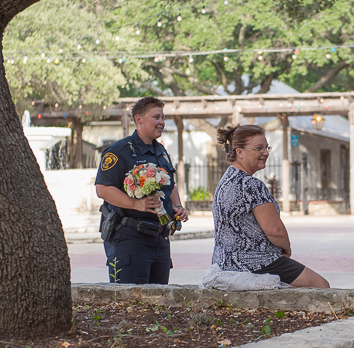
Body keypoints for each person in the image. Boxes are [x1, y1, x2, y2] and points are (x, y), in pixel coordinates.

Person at [211, 124, 330, 288]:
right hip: (257, 262)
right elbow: (275, 231)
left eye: (267, 147)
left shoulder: (226, 180)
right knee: (321, 286)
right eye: (259, 148)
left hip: (224, 261)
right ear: (240, 152)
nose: (265, 153)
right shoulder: (251, 185)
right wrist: (286, 249)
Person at [95, 97, 189, 284]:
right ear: (138, 119)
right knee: (132, 304)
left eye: (163, 117)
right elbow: (103, 189)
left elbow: (170, 185)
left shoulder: (161, 151)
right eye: (156, 117)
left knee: (159, 303)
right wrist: (135, 204)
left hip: (160, 240)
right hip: (130, 240)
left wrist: (178, 207)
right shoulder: (118, 151)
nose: (161, 122)